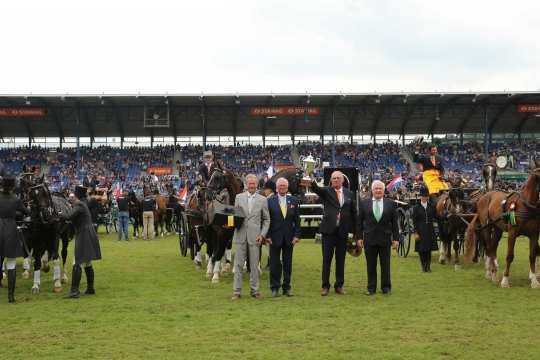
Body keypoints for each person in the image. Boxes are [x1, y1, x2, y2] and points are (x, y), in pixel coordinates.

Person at [311, 171, 357, 296]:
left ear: (342, 180)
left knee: (340, 260)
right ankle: (325, 286)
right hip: (328, 232)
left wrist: (355, 232)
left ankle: (339, 286)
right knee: (327, 259)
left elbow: (354, 213)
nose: (336, 180)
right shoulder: (327, 191)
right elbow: (315, 188)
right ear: (331, 180)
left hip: (342, 232)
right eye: (334, 178)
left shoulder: (349, 193)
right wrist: (310, 177)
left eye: (338, 178)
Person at [356, 180, 399, 295]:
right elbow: (359, 222)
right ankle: (371, 288)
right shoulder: (364, 203)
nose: (378, 190)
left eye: (380, 188)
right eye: (376, 188)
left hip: (385, 239)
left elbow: (395, 223)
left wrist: (396, 239)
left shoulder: (391, 203)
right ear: (372, 190)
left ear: (384, 191)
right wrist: (359, 237)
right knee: (371, 265)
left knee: (385, 265)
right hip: (369, 240)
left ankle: (386, 287)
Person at [232, 174, 270, 300]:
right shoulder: (238, 197)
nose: (252, 186)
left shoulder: (263, 200)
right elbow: (234, 216)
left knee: (254, 265)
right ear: (246, 185)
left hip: (255, 238)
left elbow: (266, 220)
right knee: (238, 265)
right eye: (250, 184)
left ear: (257, 185)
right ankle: (237, 292)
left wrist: (262, 235)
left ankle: (255, 291)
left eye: (254, 184)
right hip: (240, 236)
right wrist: (228, 224)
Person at [62, 186, 102, 299]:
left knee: (77, 261)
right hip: (89, 232)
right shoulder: (83, 204)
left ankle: (74, 291)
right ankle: (90, 288)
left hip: (84, 233)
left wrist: (59, 213)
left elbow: (68, 216)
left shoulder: (79, 205)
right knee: (87, 262)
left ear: (76, 195)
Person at [266, 178, 301, 297]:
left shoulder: (294, 201)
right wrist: (268, 236)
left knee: (288, 264)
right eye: (280, 186)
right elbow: (267, 220)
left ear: (287, 187)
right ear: (276, 188)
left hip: (289, 238)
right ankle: (274, 287)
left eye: (284, 186)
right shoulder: (270, 201)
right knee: (274, 264)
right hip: (274, 238)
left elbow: (297, 220)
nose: (282, 188)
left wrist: (297, 235)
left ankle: (287, 288)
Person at [0, 177, 29, 303]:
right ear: (12, 187)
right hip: (10, 230)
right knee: (11, 264)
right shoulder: (16, 199)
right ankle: (10, 297)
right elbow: (26, 212)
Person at [412, 186, 438, 272]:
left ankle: (428, 267)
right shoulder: (416, 208)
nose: (425, 197)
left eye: (426, 196)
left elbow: (436, 216)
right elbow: (414, 221)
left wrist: (445, 216)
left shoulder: (431, 206)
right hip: (420, 230)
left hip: (429, 229)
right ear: (421, 197)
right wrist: (415, 232)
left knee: (428, 249)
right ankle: (423, 267)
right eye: (423, 196)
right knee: (421, 250)